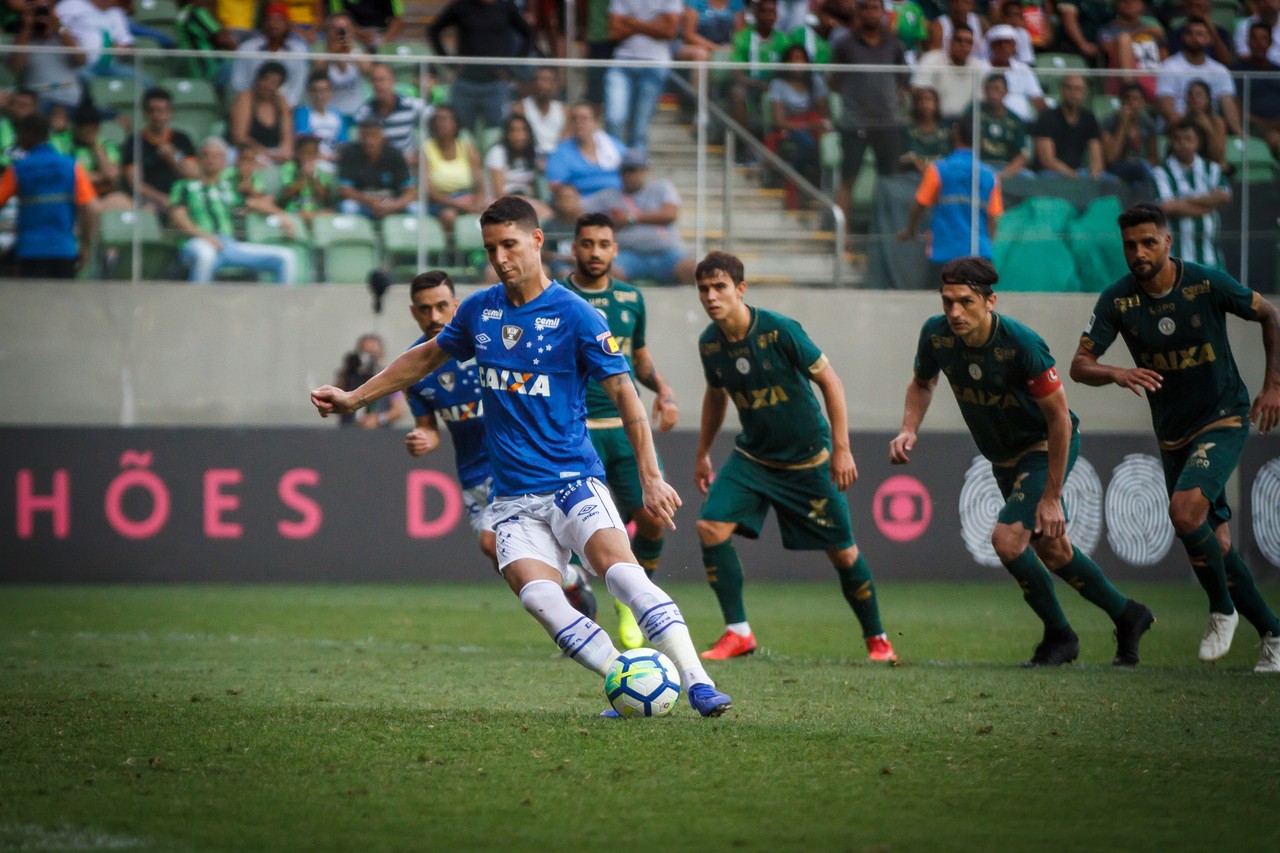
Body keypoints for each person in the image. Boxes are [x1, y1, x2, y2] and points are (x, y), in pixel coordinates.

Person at [309, 195, 735, 718]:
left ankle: (697, 680)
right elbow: (424, 358)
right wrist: (356, 397)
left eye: (509, 244)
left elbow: (626, 393)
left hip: (572, 480)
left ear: (536, 240)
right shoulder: (479, 310)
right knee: (538, 598)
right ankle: (623, 676)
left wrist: (651, 474)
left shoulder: (575, 314)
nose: (500, 257)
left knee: (621, 573)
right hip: (511, 496)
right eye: (491, 248)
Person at [890, 257, 1156, 667]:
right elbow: (922, 383)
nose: (954, 312)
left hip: (1042, 447)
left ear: (990, 301)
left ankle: (1060, 637)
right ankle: (1127, 614)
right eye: (947, 302)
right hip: (1002, 457)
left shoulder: (1021, 344)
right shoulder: (936, 335)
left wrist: (1052, 496)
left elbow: (1060, 419)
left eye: (965, 301)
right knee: (1053, 551)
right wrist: (909, 428)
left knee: (1007, 539)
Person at [1071, 202, 1280, 673]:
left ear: (1168, 242)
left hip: (1224, 415)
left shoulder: (1206, 282)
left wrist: (1274, 386)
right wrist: (1117, 372)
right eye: (1130, 245)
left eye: (1148, 242)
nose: (1139, 252)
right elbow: (1079, 366)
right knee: (1217, 544)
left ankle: (1221, 609)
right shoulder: (1117, 300)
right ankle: (1273, 632)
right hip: (1172, 435)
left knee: (1184, 512)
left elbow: (1270, 315)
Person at [691, 250, 896, 662]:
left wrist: (841, 449)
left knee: (843, 552)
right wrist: (702, 453)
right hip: (754, 459)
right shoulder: (710, 343)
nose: (711, 296)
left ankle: (878, 640)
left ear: (740, 290)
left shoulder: (781, 330)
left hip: (809, 462)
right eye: (703, 289)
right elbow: (716, 396)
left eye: (720, 287)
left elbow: (830, 382)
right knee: (710, 527)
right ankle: (738, 633)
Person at [564, 212, 680, 648]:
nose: (595, 252)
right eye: (587, 243)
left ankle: (631, 603)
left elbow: (638, 357)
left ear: (615, 249)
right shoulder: (558, 298)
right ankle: (582, 620)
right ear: (574, 248)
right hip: (578, 431)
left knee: (652, 521)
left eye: (604, 244)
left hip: (626, 429)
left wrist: (664, 392)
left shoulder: (631, 298)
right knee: (581, 530)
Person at [402, 270, 500, 570]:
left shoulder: (487, 342)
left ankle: (571, 587)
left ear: (456, 305)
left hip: (511, 463)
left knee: (493, 543)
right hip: (472, 473)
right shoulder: (413, 367)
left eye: (441, 306)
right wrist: (423, 439)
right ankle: (572, 581)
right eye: (425, 309)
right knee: (504, 563)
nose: (434, 316)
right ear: (413, 312)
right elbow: (429, 429)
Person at [168, 137, 298, 284]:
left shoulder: (229, 188)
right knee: (206, 256)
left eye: (217, 156)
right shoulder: (183, 187)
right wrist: (205, 236)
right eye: (206, 155)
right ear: (198, 159)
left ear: (225, 162)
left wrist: (282, 215)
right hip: (197, 243)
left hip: (229, 245)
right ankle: (197, 304)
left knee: (286, 257)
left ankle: (283, 306)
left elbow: (253, 203)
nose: (211, 159)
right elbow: (178, 219)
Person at [898, 119, 1003, 287]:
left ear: (955, 135)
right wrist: (986, 245)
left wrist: (911, 229)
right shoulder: (990, 175)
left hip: (944, 253)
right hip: (980, 255)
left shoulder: (938, 169)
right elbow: (993, 218)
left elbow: (919, 204)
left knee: (942, 307)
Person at [832, 0, 907, 219]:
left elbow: (901, 81)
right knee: (848, 179)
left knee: (889, 182)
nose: (870, 13)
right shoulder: (845, 44)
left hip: (887, 122)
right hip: (854, 122)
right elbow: (835, 81)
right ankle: (842, 237)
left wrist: (894, 100)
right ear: (858, 11)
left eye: (875, 8)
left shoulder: (894, 45)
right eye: (865, 8)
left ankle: (884, 235)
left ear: (883, 12)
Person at [0, 112, 97, 278]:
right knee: (62, 301)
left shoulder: (19, 169)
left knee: (32, 301)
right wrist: (86, 245)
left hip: (30, 250)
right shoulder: (71, 167)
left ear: (29, 134)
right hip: (64, 249)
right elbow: (91, 208)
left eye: (20, 134)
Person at [581, 150, 696, 285]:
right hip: (627, 255)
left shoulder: (661, 188)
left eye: (633, 170)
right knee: (603, 271)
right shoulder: (609, 196)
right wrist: (607, 221)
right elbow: (578, 211)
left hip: (666, 254)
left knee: (694, 269)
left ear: (644, 170)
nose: (628, 175)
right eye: (624, 171)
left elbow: (670, 214)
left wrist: (630, 218)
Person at [427, 0, 534, 136]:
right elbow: (434, 30)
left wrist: (512, 68)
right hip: (465, 83)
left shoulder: (506, 6)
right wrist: (450, 63)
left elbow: (527, 34)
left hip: (495, 84)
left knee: (497, 133)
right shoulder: (460, 6)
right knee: (461, 134)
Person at [1151, 120, 1231, 269]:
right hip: (1176, 260)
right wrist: (1208, 206)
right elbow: (1167, 206)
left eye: (1188, 139)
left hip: (1211, 259)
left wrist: (1185, 201)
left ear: (1197, 142)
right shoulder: (1161, 172)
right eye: (1177, 139)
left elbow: (1224, 196)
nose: (1182, 143)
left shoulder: (1212, 169)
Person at [606, 0, 682, 154]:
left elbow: (669, 32)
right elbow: (614, 32)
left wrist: (631, 22)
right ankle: (612, 169)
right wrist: (654, 25)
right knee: (615, 119)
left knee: (639, 129)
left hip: (655, 65)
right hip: (622, 62)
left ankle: (634, 172)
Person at [1156, 19, 1243, 136]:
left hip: (1210, 127)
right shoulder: (1169, 66)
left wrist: (1238, 131)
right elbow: (1165, 104)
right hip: (1178, 126)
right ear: (1183, 37)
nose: (1194, 38)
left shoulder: (1220, 70)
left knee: (1219, 123)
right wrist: (1185, 125)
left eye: (1200, 34)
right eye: (1190, 33)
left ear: (1209, 39)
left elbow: (1227, 103)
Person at [121, 87, 198, 215]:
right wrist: (162, 199)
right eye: (152, 111)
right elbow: (135, 184)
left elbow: (191, 175)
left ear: (170, 113)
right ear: (145, 113)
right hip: (149, 200)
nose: (157, 116)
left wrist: (172, 159)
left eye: (162, 111)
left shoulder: (182, 139)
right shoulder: (135, 141)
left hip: (181, 198)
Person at [725, 0, 789, 145]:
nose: (768, 17)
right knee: (737, 93)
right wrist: (760, 85)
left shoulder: (784, 40)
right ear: (756, 14)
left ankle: (776, 144)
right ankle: (742, 145)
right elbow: (737, 73)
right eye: (764, 12)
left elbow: (789, 72)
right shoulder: (742, 37)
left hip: (776, 87)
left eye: (772, 12)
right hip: (750, 85)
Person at [8, 1, 85, 111]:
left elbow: (81, 60)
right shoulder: (20, 40)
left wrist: (58, 26)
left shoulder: (66, 39)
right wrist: (27, 27)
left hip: (68, 99)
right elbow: (16, 66)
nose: (41, 16)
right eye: (36, 12)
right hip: (37, 101)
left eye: (45, 11)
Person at [230, 3, 310, 107]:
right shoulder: (247, 48)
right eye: (270, 20)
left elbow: (298, 84)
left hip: (286, 106)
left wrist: (287, 107)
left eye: (279, 20)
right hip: (252, 105)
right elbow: (239, 83)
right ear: (264, 23)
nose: (274, 24)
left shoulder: (298, 50)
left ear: (287, 25)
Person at [422, 105, 485, 235]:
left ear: (455, 123)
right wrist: (457, 203)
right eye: (437, 120)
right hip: (441, 202)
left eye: (445, 119)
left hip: (467, 197)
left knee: (495, 211)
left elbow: (479, 183)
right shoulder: (425, 150)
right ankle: (455, 254)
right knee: (449, 216)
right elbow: (429, 192)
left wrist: (477, 202)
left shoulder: (467, 148)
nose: (440, 124)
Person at [337, 118, 416, 218]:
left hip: (391, 204)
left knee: (415, 209)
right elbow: (344, 190)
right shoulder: (350, 154)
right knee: (348, 207)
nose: (368, 141)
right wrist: (371, 202)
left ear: (382, 137)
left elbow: (410, 191)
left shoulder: (395, 155)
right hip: (363, 204)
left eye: (373, 135)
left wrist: (395, 205)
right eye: (364, 136)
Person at [1031, 74, 1105, 180]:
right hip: (1051, 173)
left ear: (1085, 93)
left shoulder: (1089, 119)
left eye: (1078, 89)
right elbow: (1047, 160)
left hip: (1079, 171)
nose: (1073, 93)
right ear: (1062, 90)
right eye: (1069, 88)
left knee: (1110, 181)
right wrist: (1073, 176)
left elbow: (1096, 157)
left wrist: (1094, 175)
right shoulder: (1047, 118)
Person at [545, 102, 626, 197]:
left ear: (596, 123)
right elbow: (555, 185)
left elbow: (631, 172)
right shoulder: (561, 152)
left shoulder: (614, 146)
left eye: (584, 118)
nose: (578, 123)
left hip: (618, 202)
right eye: (574, 119)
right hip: (581, 204)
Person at [912, 22, 987, 124]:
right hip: (935, 122)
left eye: (968, 42)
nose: (963, 45)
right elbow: (917, 89)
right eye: (959, 40)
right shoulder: (931, 59)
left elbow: (981, 101)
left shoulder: (978, 67)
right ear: (950, 41)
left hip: (966, 123)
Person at [352, 63, 430, 158]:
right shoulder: (364, 113)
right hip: (379, 164)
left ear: (393, 81)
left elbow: (435, 121)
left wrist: (422, 149)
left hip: (407, 163)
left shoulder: (412, 105)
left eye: (382, 80)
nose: (378, 85)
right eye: (374, 81)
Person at [964, 73, 1031, 181]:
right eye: (988, 89)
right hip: (978, 165)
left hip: (1005, 167)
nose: (992, 93)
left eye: (997, 89)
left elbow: (1021, 155)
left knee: (1028, 177)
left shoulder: (1015, 120)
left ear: (1006, 92)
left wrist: (1006, 173)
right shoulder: (974, 111)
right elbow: (962, 142)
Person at [228, 61, 295, 166]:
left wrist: (284, 151)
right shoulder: (245, 98)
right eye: (266, 80)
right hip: (245, 151)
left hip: (273, 152)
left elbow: (287, 138)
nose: (269, 86)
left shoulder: (281, 101)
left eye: (275, 83)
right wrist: (267, 154)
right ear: (258, 79)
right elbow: (240, 138)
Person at [334, 333, 406, 426]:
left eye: (372, 354)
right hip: (349, 431)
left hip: (379, 434)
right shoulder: (350, 375)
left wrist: (378, 419)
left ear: (381, 356)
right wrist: (347, 372)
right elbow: (335, 400)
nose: (367, 358)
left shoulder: (390, 377)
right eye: (363, 353)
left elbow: (397, 411)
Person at [485, 114, 549, 217]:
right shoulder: (497, 153)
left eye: (522, 130)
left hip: (525, 200)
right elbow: (499, 193)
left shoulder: (533, 154)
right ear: (507, 134)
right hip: (500, 202)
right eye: (513, 131)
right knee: (544, 213)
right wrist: (525, 200)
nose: (518, 135)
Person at [312, 12, 373, 117]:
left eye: (345, 29)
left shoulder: (359, 50)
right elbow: (319, 72)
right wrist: (332, 53)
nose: (340, 33)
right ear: (328, 32)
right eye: (335, 29)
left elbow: (369, 71)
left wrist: (348, 50)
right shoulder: (319, 50)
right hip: (329, 114)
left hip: (357, 112)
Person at [1100, 82, 1159, 188]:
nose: (1131, 103)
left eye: (1136, 99)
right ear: (1121, 101)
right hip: (1117, 167)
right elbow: (1110, 159)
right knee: (1142, 168)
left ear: (1143, 102)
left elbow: (1153, 157)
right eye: (1127, 98)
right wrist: (1122, 126)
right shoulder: (1109, 122)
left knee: (1146, 170)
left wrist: (1140, 162)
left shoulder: (1147, 123)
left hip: (1141, 166)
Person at [983, 23, 1045, 123]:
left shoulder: (1024, 69)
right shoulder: (981, 68)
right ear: (992, 46)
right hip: (989, 121)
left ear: (1014, 46)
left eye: (1007, 43)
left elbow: (1037, 97)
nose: (1003, 47)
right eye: (999, 43)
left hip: (1023, 123)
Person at [1236, 20, 1280, 159]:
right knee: (1275, 138)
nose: (1259, 43)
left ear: (1270, 42)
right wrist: (1263, 123)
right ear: (1248, 42)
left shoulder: (1277, 71)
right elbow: (1236, 105)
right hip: (1254, 127)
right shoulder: (1238, 70)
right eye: (1255, 38)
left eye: (1264, 38)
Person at [294, 70, 351, 160]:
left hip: (335, 160)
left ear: (331, 93)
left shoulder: (337, 115)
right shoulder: (302, 113)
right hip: (312, 160)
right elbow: (303, 143)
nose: (319, 95)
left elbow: (343, 142)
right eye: (315, 91)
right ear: (309, 93)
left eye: (324, 91)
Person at [512, 67, 567, 159]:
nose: (540, 84)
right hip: (529, 157)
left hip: (558, 158)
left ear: (554, 85)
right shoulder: (520, 108)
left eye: (546, 80)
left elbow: (566, 141)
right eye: (537, 80)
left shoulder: (564, 110)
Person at [279, 134, 337, 221]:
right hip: (296, 209)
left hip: (316, 209)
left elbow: (323, 196)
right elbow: (288, 194)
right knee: (305, 216)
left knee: (332, 214)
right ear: (297, 152)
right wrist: (303, 176)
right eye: (306, 152)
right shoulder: (289, 167)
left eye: (313, 153)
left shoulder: (321, 171)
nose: (309, 157)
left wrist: (314, 177)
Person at [899, 87, 951, 175]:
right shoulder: (907, 129)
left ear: (936, 104)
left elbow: (950, 157)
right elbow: (899, 157)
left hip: (941, 176)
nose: (925, 104)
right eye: (920, 101)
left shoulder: (945, 130)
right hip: (912, 177)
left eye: (929, 100)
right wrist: (913, 160)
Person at [1182, 79, 1228, 166]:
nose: (1194, 98)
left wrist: (1208, 128)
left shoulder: (1217, 121)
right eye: (1190, 94)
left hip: (1210, 161)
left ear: (1208, 98)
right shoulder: (1182, 121)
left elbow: (1219, 155)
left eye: (1199, 94)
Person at [328, 0, 405, 46]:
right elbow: (337, 19)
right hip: (351, 34)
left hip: (382, 34)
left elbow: (397, 19)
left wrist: (384, 41)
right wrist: (359, 33)